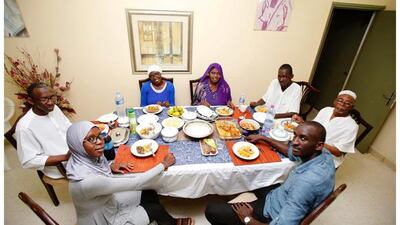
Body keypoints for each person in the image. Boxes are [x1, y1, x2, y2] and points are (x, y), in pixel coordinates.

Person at [205, 121, 335, 225]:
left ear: (318, 145)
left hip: (271, 213)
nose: (294, 142)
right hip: (279, 194)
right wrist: (264, 138)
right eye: (295, 135)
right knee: (255, 173)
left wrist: (248, 219)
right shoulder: (323, 153)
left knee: (211, 210)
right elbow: (290, 152)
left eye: (303, 138)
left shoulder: (306, 183)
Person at [66, 121, 194, 225]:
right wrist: (164, 164)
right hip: (103, 219)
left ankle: (160, 220)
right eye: (91, 139)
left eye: (99, 136)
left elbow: (98, 168)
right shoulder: (88, 182)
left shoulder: (80, 158)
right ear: (77, 145)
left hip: (106, 202)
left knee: (150, 193)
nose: (99, 141)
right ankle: (169, 222)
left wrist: (111, 165)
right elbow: (136, 183)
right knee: (156, 208)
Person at [16, 82, 71, 179]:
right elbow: (28, 161)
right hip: (60, 166)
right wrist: (65, 157)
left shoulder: (54, 109)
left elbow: (68, 127)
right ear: (31, 101)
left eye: (52, 97)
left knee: (105, 146)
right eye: (44, 99)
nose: (51, 102)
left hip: (76, 154)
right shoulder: (25, 127)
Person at [292, 90, 359, 168]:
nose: (342, 105)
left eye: (347, 103)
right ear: (335, 101)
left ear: (352, 107)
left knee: (296, 166)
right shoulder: (326, 110)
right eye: (340, 101)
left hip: (326, 156)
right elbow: (314, 128)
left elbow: (338, 152)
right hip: (310, 146)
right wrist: (302, 122)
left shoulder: (352, 126)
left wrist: (315, 143)